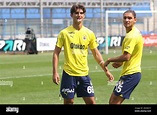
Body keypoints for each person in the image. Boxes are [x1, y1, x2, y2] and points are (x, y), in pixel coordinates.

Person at [52, 4, 114, 104]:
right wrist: (55, 72)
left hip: (84, 74)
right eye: (76, 13)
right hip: (69, 74)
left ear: (84, 15)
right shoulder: (64, 33)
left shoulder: (89, 33)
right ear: (71, 15)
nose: (79, 15)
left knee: (91, 102)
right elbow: (56, 53)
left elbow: (96, 53)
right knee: (68, 102)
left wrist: (106, 70)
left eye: (81, 13)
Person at [104, 10, 144, 104]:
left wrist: (109, 60)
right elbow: (129, 56)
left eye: (129, 18)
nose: (127, 20)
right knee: (112, 101)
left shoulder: (131, 35)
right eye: (125, 18)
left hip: (131, 74)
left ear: (135, 20)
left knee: (114, 102)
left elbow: (126, 57)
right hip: (129, 73)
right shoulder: (134, 32)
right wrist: (120, 62)